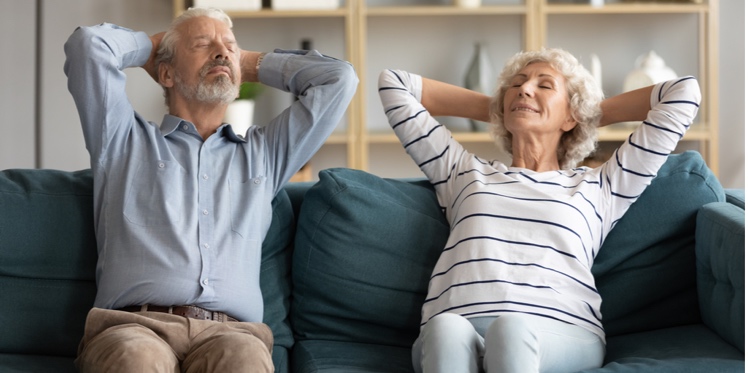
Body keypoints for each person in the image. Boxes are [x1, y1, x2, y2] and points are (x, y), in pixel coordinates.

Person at [64, 6, 357, 372]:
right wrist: (152, 47)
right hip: (136, 328)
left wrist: (245, 62)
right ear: (166, 73)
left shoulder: (265, 154)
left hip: (232, 336)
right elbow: (88, 46)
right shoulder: (123, 140)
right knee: (137, 359)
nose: (221, 51)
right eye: (202, 45)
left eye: (229, 46)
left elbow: (339, 79)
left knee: (245, 361)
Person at [378, 48, 700, 373]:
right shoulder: (463, 173)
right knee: (444, 328)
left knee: (511, 329)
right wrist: (502, 108)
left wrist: (586, 112)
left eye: (545, 85)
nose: (525, 88)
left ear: (570, 117)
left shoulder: (600, 186)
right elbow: (394, 85)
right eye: (517, 84)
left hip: (558, 331)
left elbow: (683, 93)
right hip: (457, 322)